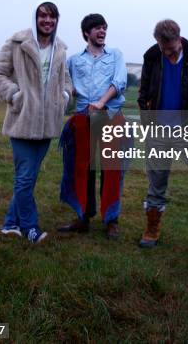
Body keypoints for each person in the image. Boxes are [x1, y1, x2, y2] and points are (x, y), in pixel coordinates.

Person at [0, 1, 72, 244]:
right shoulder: (17, 42)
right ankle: (30, 227)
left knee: (29, 177)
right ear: (35, 18)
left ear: (57, 20)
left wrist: (63, 97)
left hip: (47, 125)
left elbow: (66, 80)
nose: (47, 21)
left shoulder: (60, 48)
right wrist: (15, 95)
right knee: (24, 178)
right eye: (43, 16)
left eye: (52, 16)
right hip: (22, 120)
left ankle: (9, 223)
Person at [137, 19, 188, 252]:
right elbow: (144, 92)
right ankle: (151, 231)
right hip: (158, 131)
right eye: (164, 49)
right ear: (157, 42)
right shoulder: (152, 56)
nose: (168, 53)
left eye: (172, 49)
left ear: (179, 39)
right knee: (156, 182)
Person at [57, 14, 127, 239]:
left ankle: (111, 220)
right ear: (87, 32)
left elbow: (120, 82)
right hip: (82, 117)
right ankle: (83, 216)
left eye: (104, 27)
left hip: (110, 116)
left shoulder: (115, 55)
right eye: (97, 28)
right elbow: (66, 85)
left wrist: (101, 102)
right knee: (82, 169)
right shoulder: (75, 60)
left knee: (111, 170)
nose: (102, 31)